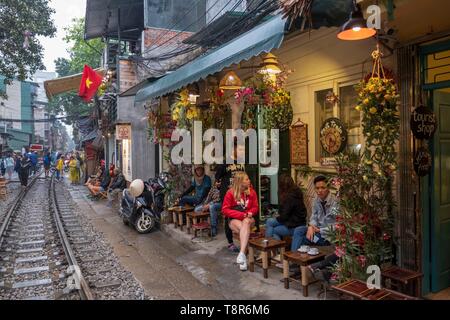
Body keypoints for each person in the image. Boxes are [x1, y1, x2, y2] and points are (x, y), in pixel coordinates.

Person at [290, 175, 338, 252]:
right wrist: (310, 226)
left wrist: (320, 230)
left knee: (304, 239)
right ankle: (295, 260)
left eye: (323, 187)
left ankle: (294, 261)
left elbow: (338, 225)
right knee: (299, 230)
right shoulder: (316, 200)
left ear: (328, 188)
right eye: (317, 188)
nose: (319, 191)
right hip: (316, 230)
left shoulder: (335, 203)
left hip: (327, 236)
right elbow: (313, 217)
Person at [222, 172, 258, 271]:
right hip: (234, 220)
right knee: (244, 228)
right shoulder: (230, 192)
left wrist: (250, 212)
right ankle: (243, 257)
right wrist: (241, 215)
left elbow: (255, 207)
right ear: (240, 182)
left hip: (249, 219)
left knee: (245, 223)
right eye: (246, 179)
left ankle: (242, 254)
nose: (249, 180)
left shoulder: (252, 192)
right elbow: (225, 210)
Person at [215, 142, 246, 253]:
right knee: (229, 217)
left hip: (240, 195)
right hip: (227, 195)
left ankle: (243, 239)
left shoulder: (242, 162)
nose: (242, 151)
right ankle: (230, 242)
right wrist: (219, 184)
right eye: (240, 149)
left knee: (242, 216)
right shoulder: (225, 162)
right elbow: (217, 177)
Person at [265, 173, 307, 241]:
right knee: (270, 222)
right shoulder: (296, 192)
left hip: (293, 224)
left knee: (271, 226)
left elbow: (284, 216)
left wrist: (276, 217)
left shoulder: (289, 197)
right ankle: (274, 247)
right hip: (296, 221)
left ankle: (272, 246)